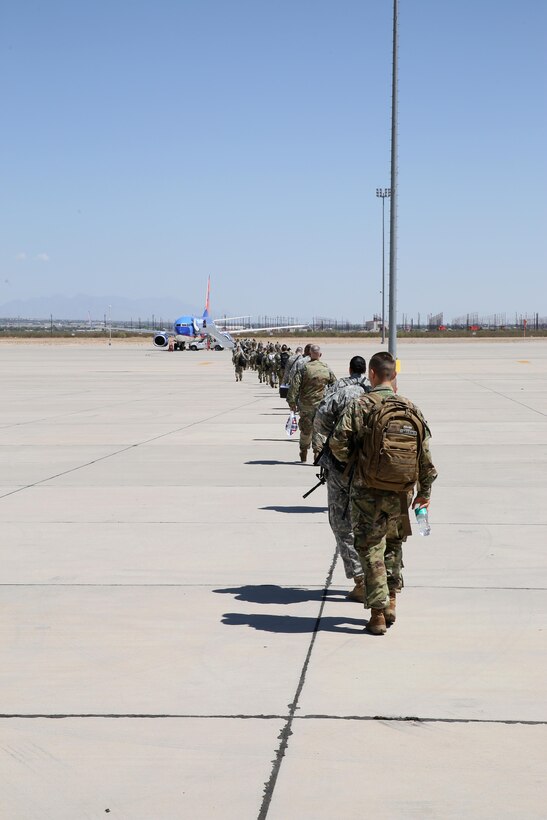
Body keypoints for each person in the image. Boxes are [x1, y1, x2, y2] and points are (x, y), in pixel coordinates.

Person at [329, 351, 437, 635]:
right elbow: (425, 458)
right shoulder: (411, 408)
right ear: (395, 376)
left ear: (373, 375)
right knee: (393, 545)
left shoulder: (360, 404)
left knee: (370, 548)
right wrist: (423, 493)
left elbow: (338, 444)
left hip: (367, 490)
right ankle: (391, 601)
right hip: (400, 492)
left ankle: (377, 613)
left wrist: (357, 463)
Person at [313, 356, 370, 602]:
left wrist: (330, 447)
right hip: (374, 469)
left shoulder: (341, 391)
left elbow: (320, 419)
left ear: (349, 369)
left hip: (342, 468)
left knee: (341, 521)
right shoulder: (376, 392)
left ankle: (360, 579)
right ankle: (382, 580)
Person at [287, 345, 336, 462]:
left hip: (306, 404)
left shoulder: (304, 368)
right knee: (318, 429)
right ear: (320, 355)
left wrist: (292, 401)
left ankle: (303, 451)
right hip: (321, 405)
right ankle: (317, 451)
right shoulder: (326, 368)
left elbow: (295, 385)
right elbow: (334, 385)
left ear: (309, 354)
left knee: (305, 428)